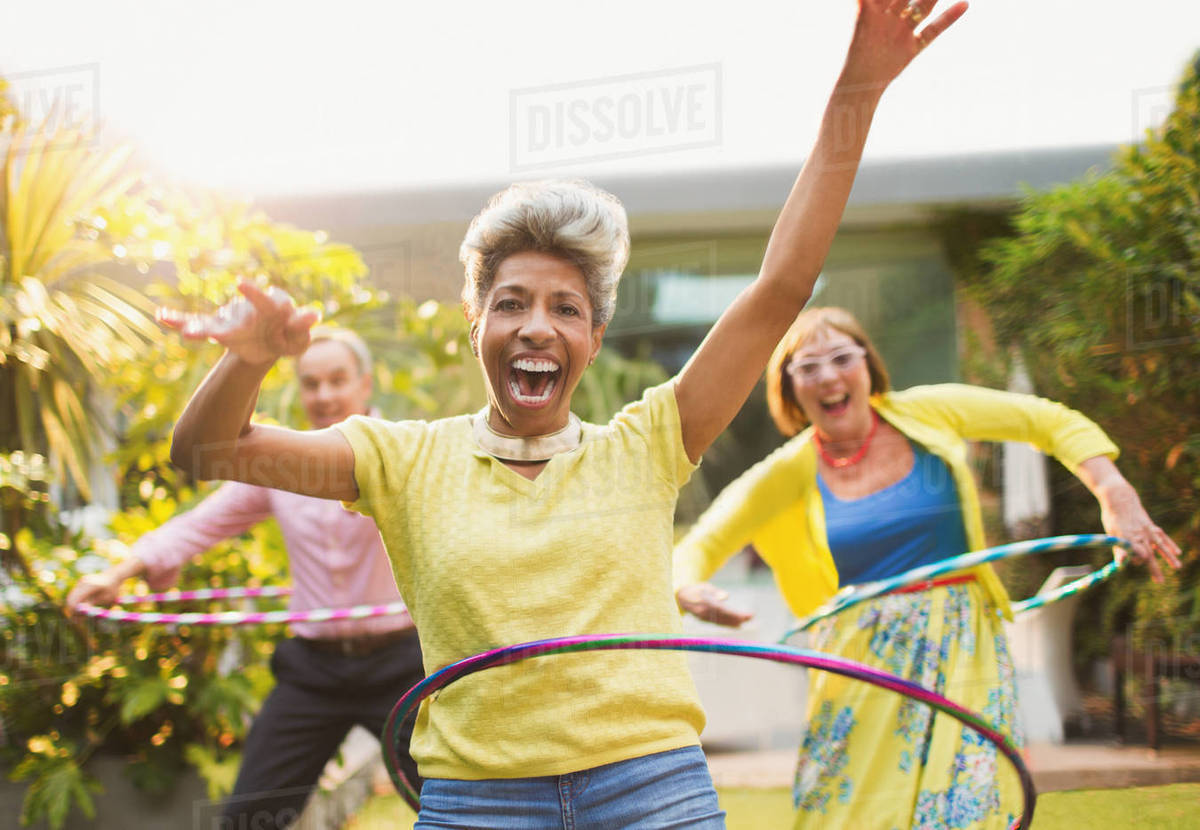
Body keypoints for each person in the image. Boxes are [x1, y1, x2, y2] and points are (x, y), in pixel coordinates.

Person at [156, 3, 969, 826]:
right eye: (510, 303)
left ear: (594, 335)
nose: (537, 326)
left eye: (565, 308)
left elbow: (781, 289)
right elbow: (208, 451)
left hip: (651, 786)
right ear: (475, 324)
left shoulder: (650, 442)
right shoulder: (400, 459)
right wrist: (250, 357)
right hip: (477, 801)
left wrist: (857, 94)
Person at [673, 306, 1182, 829]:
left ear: (868, 366)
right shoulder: (788, 470)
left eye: (841, 358)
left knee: (965, 808)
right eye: (808, 367)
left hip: (964, 646)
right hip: (861, 665)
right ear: (789, 388)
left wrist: (1113, 492)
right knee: (850, 815)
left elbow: (1048, 420)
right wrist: (687, 587)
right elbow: (704, 540)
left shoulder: (929, 412)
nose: (828, 376)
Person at [67, 327, 424, 830]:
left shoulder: (407, 454)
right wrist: (121, 572)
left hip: (400, 666)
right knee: (249, 817)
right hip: (312, 672)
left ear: (365, 385)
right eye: (311, 383)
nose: (324, 396)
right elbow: (198, 524)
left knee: (456, 805)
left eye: (337, 381)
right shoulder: (281, 465)